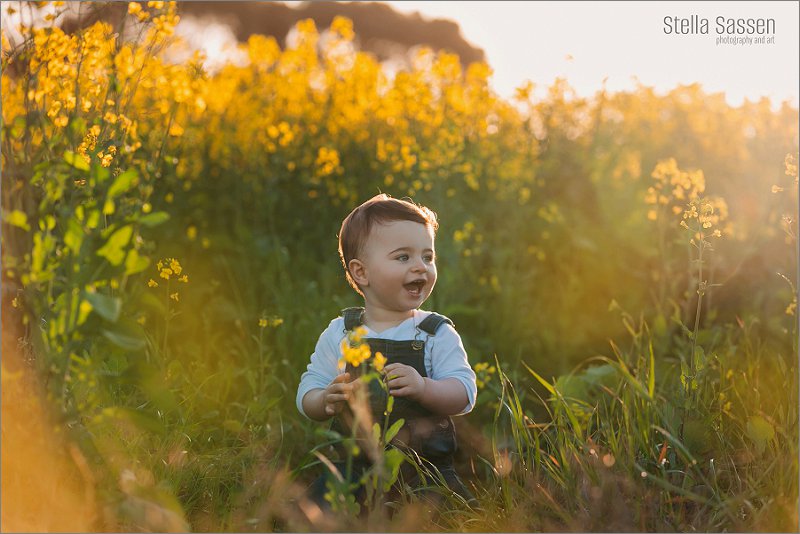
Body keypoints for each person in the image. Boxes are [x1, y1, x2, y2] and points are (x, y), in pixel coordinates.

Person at [296, 193, 478, 509]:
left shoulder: (435, 333)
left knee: (447, 515)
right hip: (355, 469)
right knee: (315, 510)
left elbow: (464, 393)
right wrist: (324, 399)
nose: (420, 268)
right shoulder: (342, 332)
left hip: (424, 471)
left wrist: (425, 388)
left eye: (428, 257)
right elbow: (307, 390)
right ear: (361, 272)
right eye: (403, 257)